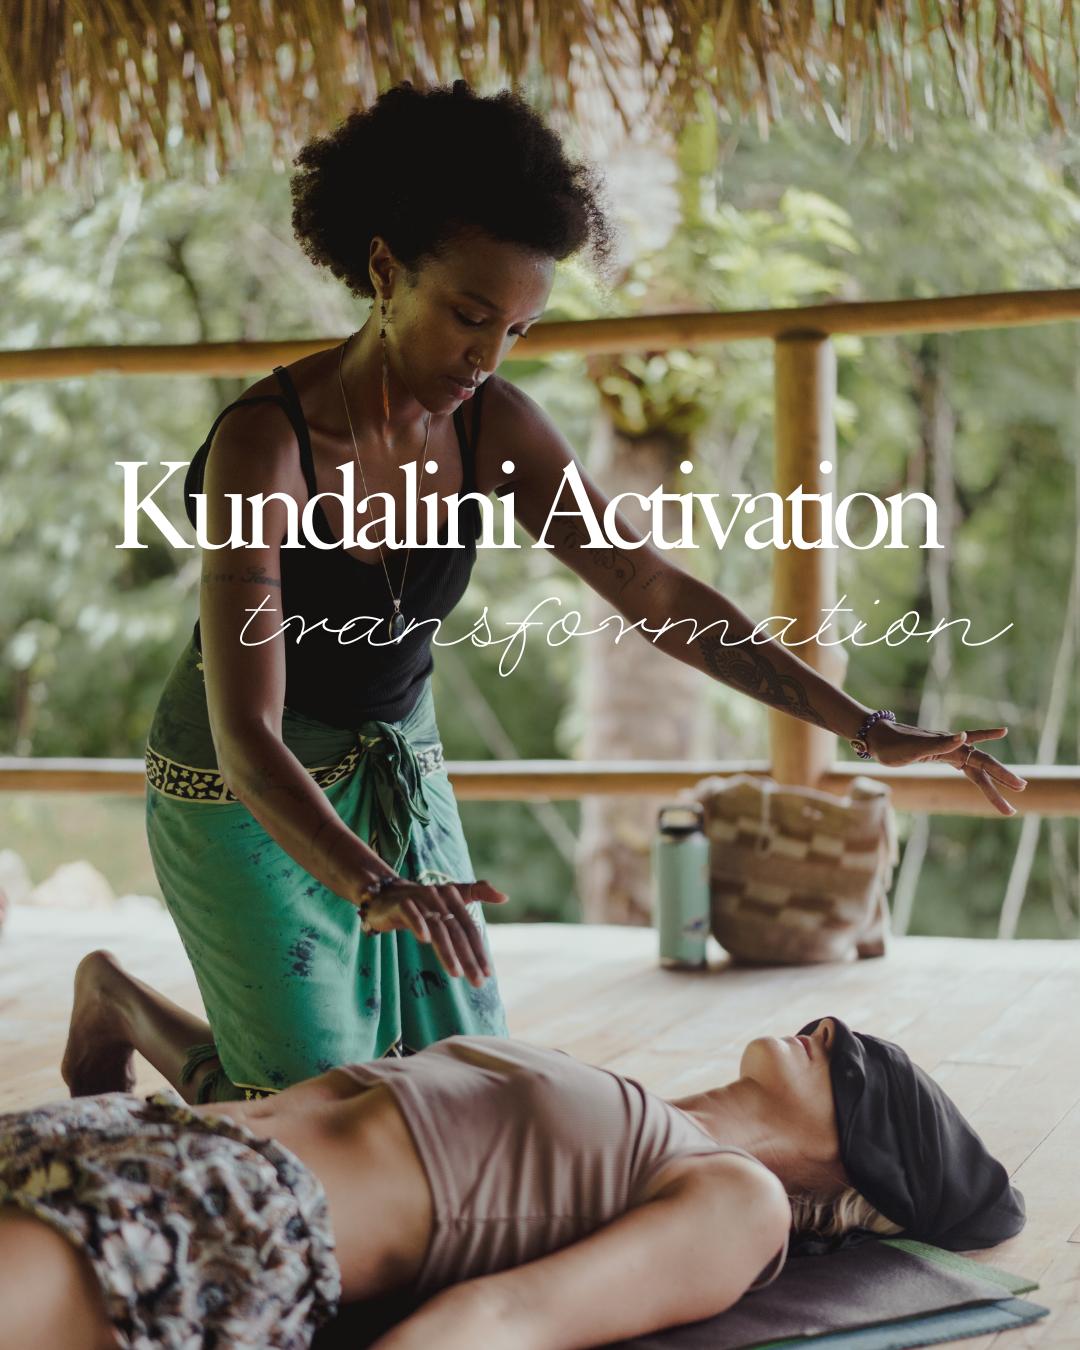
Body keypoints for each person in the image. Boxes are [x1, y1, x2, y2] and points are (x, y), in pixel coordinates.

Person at [141, 79, 1027, 1103]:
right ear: (384, 271)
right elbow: (249, 734)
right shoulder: (266, 444)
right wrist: (371, 884)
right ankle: (125, 1007)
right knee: (318, 1122)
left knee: (457, 1101)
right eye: (468, 315)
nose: (488, 355)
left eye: (516, 329)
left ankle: (146, 1013)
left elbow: (654, 592)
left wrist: (865, 726)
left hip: (393, 764)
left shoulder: (495, 427)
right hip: (242, 787)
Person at [2, 953, 1024, 1350]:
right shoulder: (634, 1105)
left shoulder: (737, 1201)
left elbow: (506, 1317)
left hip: (220, 1223)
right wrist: (123, 1009)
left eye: (859, 1076)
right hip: (130, 1143)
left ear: (853, 1180)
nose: (833, 1031)